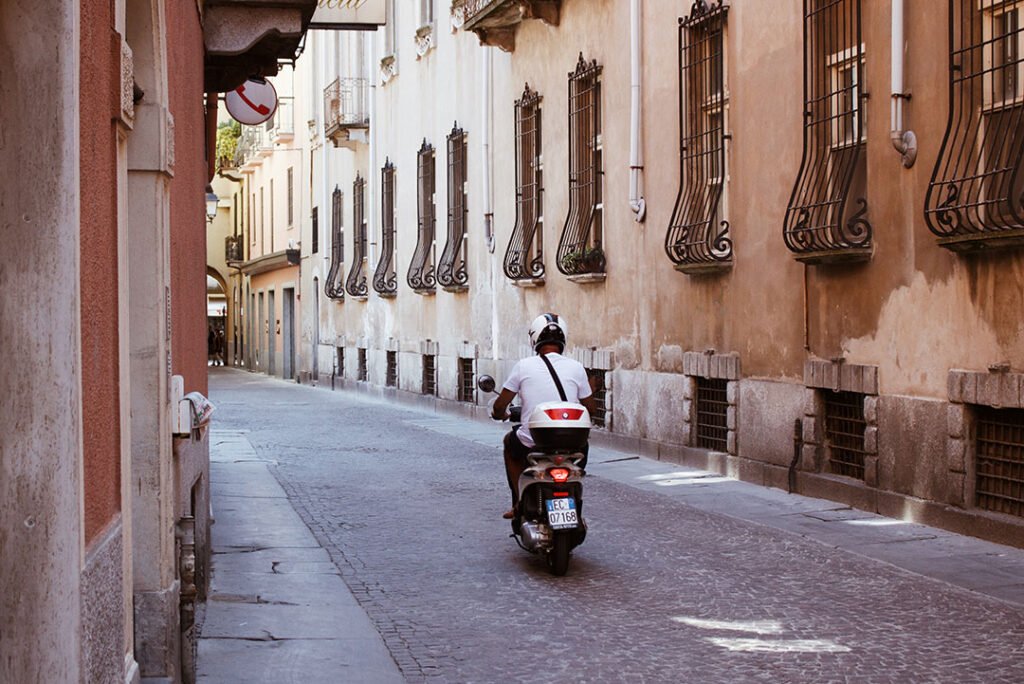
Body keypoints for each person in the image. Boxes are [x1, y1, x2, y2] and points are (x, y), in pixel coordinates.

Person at [490, 313, 598, 519]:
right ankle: (573, 493)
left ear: (535, 338)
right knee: (582, 452)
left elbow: (500, 405)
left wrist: (500, 413)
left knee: (509, 443)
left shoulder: (524, 366)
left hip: (535, 441)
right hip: (574, 443)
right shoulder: (576, 368)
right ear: (563, 339)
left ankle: (518, 502)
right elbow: (591, 409)